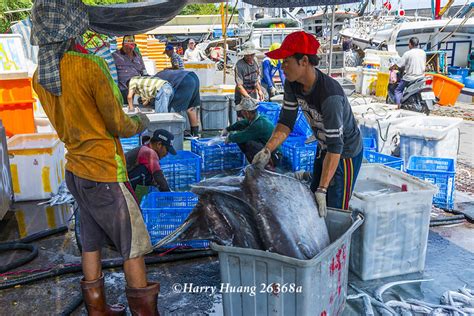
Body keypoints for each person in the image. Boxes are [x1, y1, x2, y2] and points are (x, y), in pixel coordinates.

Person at [30, 1, 159, 315]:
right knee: (132, 244)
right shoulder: (90, 66)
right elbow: (117, 123)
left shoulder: (39, 76)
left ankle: (97, 309)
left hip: (76, 171)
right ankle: (145, 310)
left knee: (90, 241)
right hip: (104, 172)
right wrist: (141, 121)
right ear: (75, 26)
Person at [252, 31, 363, 219]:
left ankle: (339, 247)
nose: (282, 66)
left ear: (304, 61)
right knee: (314, 202)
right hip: (323, 148)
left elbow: (337, 146)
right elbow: (286, 122)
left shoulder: (330, 95)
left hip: (345, 154)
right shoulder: (292, 84)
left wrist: (323, 188)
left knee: (335, 210)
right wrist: (267, 150)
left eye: (286, 61)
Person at [222, 98, 279, 168]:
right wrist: (228, 129)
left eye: (242, 111)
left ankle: (265, 167)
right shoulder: (255, 119)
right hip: (267, 150)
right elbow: (242, 123)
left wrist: (230, 137)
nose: (241, 113)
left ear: (246, 112)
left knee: (249, 143)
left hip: (274, 155)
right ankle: (256, 164)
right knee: (243, 140)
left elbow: (242, 136)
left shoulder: (259, 124)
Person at [154, 69, 200, 136]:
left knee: (175, 109)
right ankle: (195, 134)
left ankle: (177, 134)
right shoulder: (161, 74)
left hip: (184, 80)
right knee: (191, 108)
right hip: (193, 76)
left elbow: (160, 98)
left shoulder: (152, 82)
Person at [390, 37, 426, 108]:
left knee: (398, 90)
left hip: (410, 78)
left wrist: (391, 68)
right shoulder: (423, 52)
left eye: (408, 43)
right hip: (421, 77)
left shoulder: (407, 53)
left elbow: (398, 65)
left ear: (410, 44)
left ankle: (398, 106)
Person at [112, 35, 147, 102]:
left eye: (130, 46)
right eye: (126, 46)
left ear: (134, 46)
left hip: (137, 89)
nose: (128, 49)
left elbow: (144, 71)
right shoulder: (115, 56)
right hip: (123, 90)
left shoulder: (138, 56)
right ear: (122, 45)